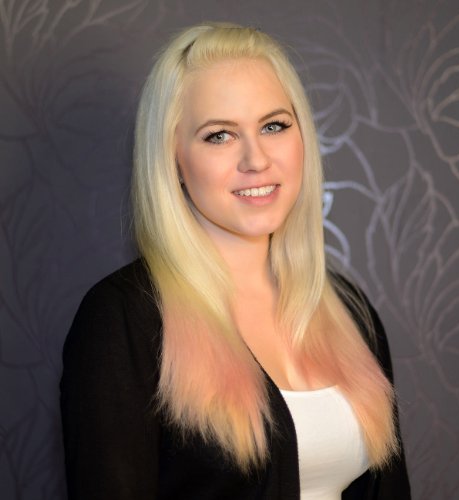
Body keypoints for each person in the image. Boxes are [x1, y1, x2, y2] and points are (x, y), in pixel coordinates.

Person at [60, 22, 411, 499]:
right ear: (173, 159)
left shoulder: (350, 311)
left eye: (273, 126)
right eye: (219, 135)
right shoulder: (123, 319)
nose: (256, 159)